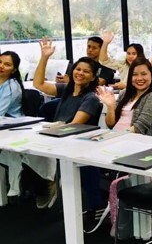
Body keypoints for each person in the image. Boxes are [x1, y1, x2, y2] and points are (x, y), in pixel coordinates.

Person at [0, 38, 101, 207]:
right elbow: (38, 84)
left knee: (29, 153)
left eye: (86, 71)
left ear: (92, 77)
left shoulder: (91, 98)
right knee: (19, 152)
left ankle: (45, 185)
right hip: (55, 135)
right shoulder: (67, 90)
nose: (80, 73)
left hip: (72, 141)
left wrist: (47, 130)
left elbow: (73, 126)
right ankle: (43, 185)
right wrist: (44, 57)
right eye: (78, 69)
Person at [97, 57, 152, 134]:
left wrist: (118, 135)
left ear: (151, 75)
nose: (139, 78)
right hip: (116, 136)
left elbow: (139, 128)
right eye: (134, 74)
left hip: (132, 139)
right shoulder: (124, 93)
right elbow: (110, 125)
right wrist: (110, 107)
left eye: (144, 74)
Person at [0, 51, 24, 118]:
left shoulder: (13, 86)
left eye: (7, 65)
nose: (1, 66)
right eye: (0, 62)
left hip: (11, 121)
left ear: (14, 70)